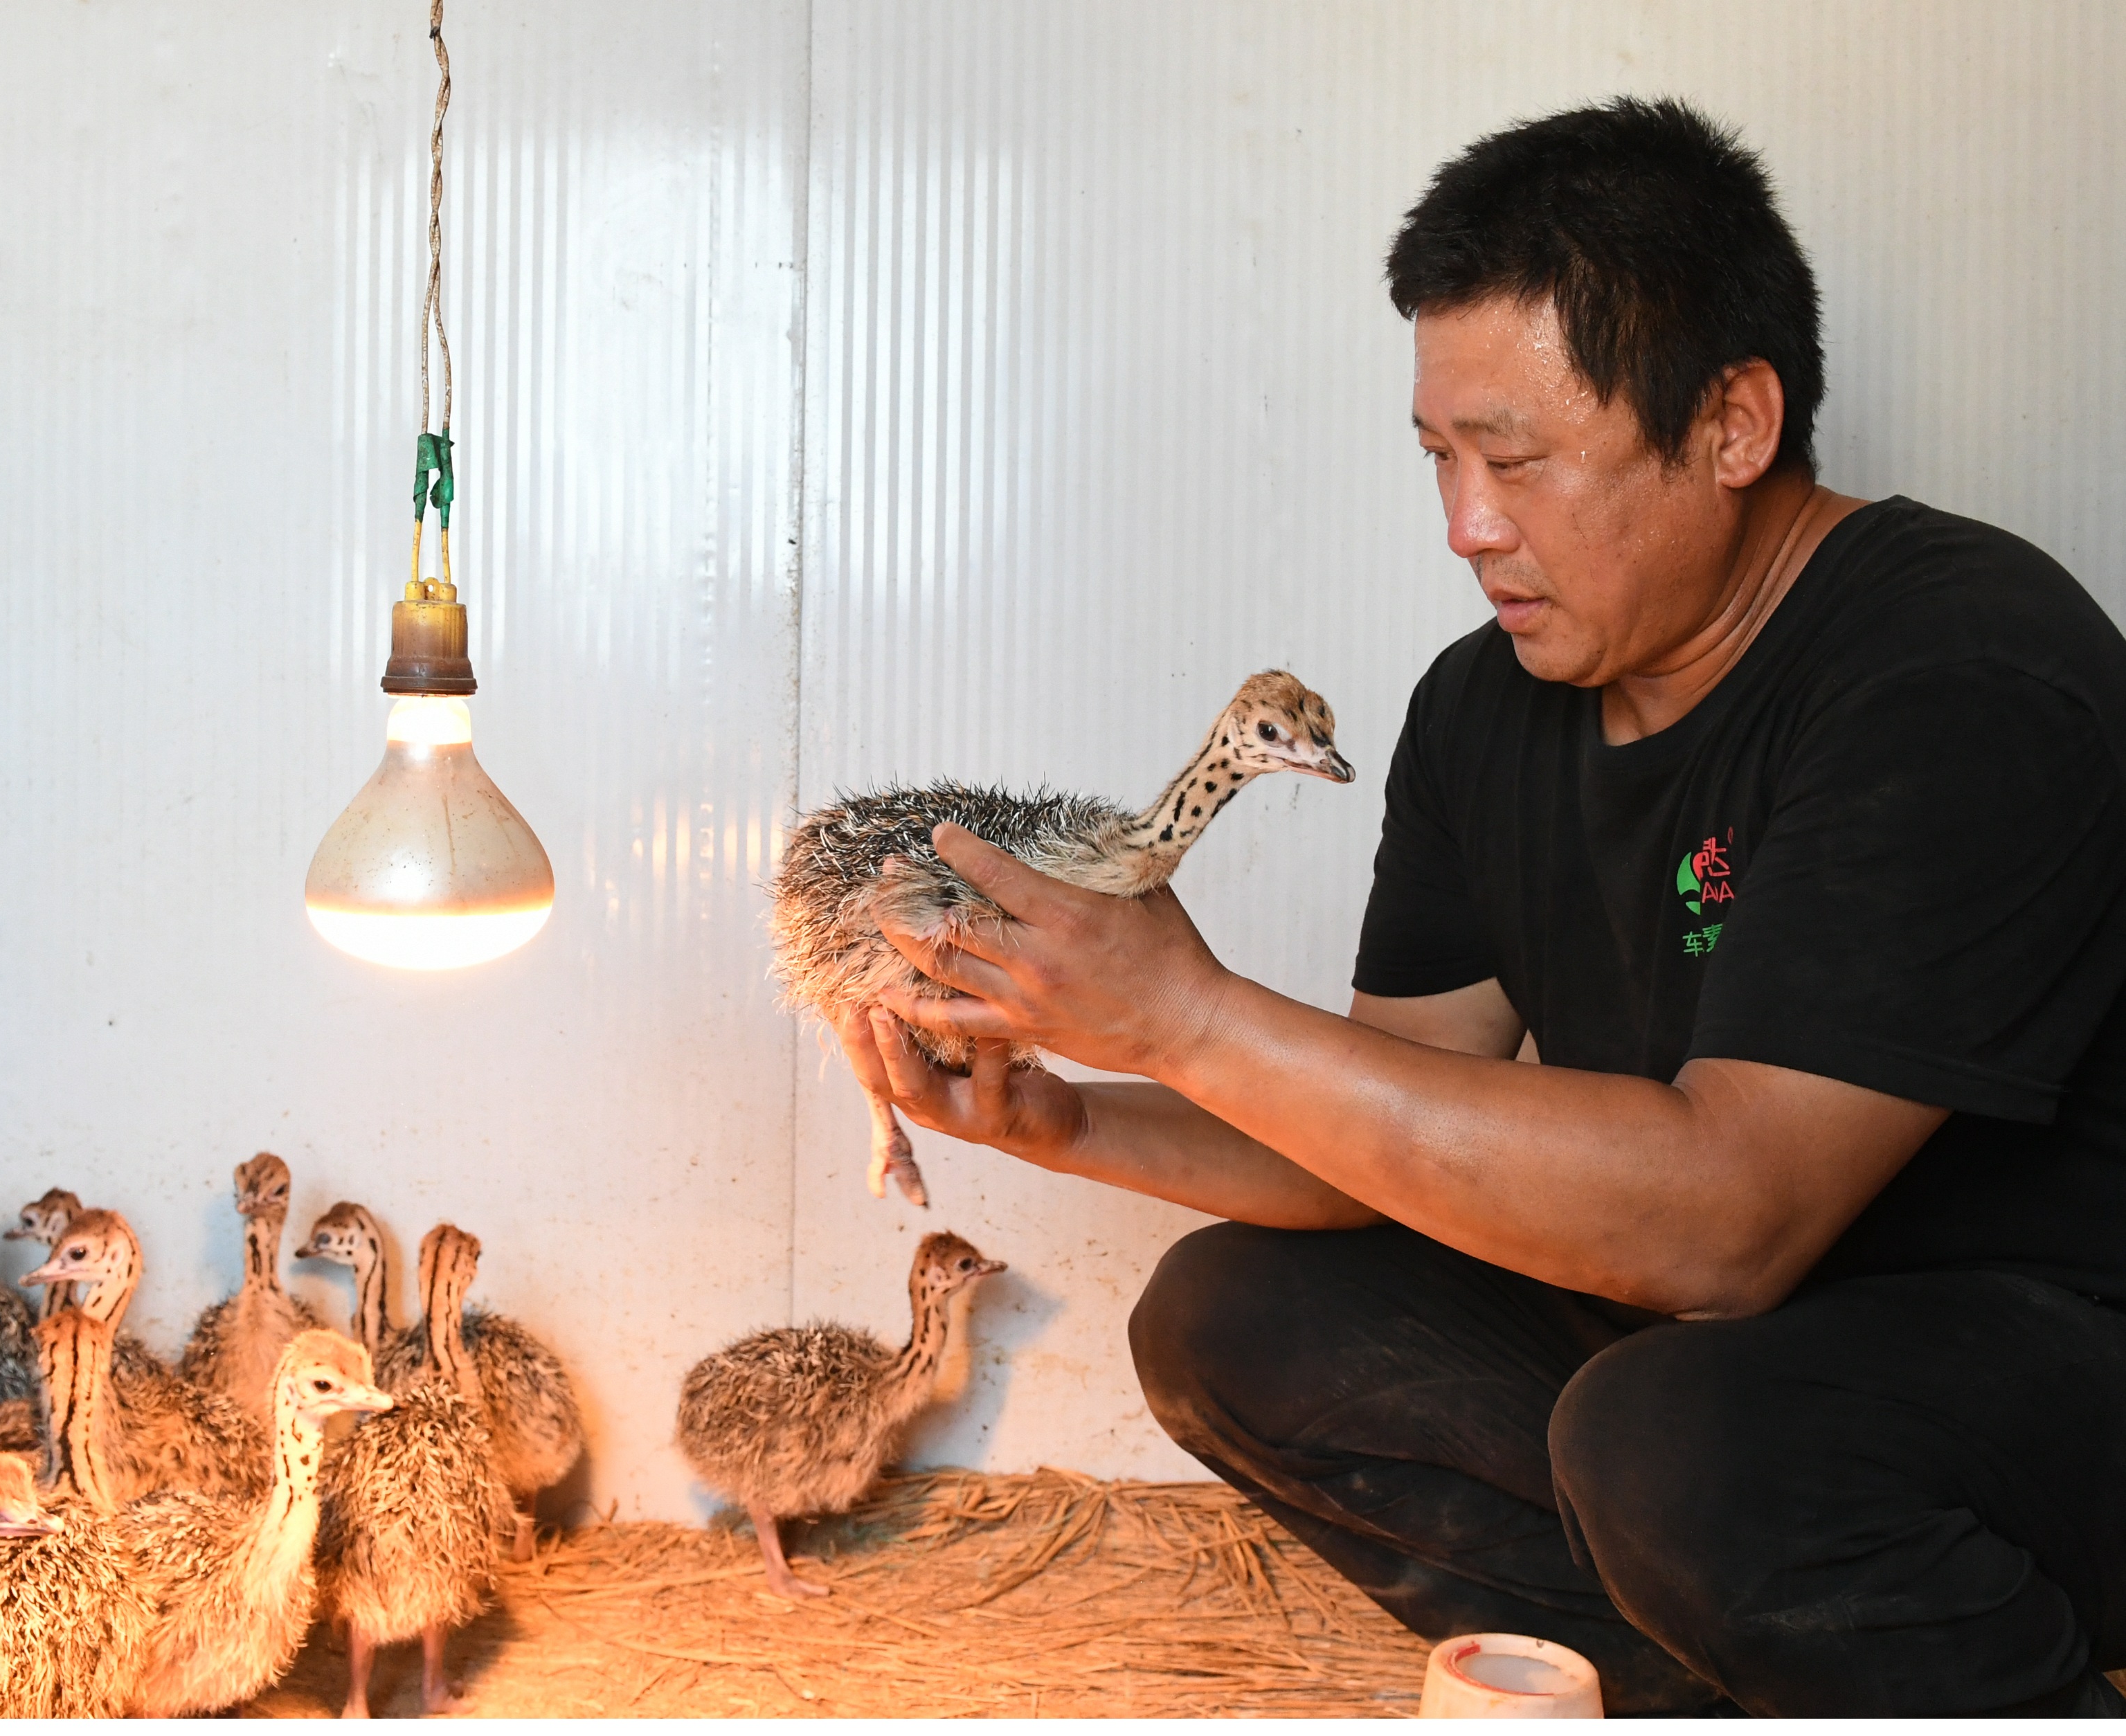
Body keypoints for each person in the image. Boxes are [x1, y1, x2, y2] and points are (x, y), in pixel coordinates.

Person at [830, 97, 2126, 1716]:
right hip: (1700, 1367)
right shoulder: (1487, 704)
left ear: (1733, 423)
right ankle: (1722, 1679)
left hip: (2033, 1361)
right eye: (1441, 458)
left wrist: (1185, 1014)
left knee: (1675, 1442)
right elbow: (1379, 1134)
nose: (1467, 527)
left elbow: (1730, 1227)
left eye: (1515, 462)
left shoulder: (1959, 668)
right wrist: (1071, 1118)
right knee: (1236, 1318)